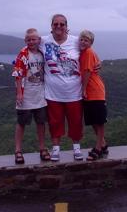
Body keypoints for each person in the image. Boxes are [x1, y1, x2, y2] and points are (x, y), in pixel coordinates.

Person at [41, 14, 84, 161]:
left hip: (74, 92)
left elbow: (89, 52)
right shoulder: (43, 41)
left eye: (62, 24)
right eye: (56, 24)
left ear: (66, 26)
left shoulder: (76, 41)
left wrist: (97, 63)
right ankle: (56, 149)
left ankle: (76, 148)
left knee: (76, 121)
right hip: (53, 93)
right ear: (51, 26)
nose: (58, 26)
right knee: (54, 122)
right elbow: (29, 46)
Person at [12, 28, 50, 164]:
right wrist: (19, 93)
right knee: (21, 123)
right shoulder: (23, 54)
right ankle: (18, 151)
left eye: (34, 39)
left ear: (39, 40)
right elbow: (18, 74)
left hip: (40, 95)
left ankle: (42, 148)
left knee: (41, 123)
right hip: (26, 95)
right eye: (29, 40)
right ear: (25, 41)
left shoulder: (43, 53)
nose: (31, 42)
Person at [79, 30, 108, 161]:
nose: (83, 42)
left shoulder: (88, 52)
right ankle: (103, 144)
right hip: (90, 92)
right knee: (93, 121)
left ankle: (98, 148)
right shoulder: (84, 52)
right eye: (82, 39)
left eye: (86, 40)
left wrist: (83, 89)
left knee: (99, 121)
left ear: (91, 43)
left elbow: (87, 72)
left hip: (94, 91)